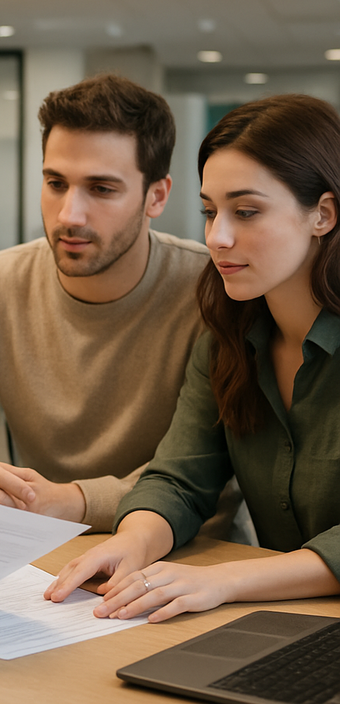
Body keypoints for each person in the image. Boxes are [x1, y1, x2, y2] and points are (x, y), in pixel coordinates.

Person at [0, 74, 226, 534]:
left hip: (190, 552)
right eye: (56, 183)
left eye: (101, 189)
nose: (69, 215)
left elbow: (212, 472)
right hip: (41, 543)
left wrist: (75, 502)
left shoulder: (214, 291)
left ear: (156, 196)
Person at [45, 93, 340, 622]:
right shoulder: (229, 337)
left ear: (322, 214)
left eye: (246, 212)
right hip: (289, 623)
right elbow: (180, 479)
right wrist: (132, 543)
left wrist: (227, 579)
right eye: (210, 212)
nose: (217, 237)